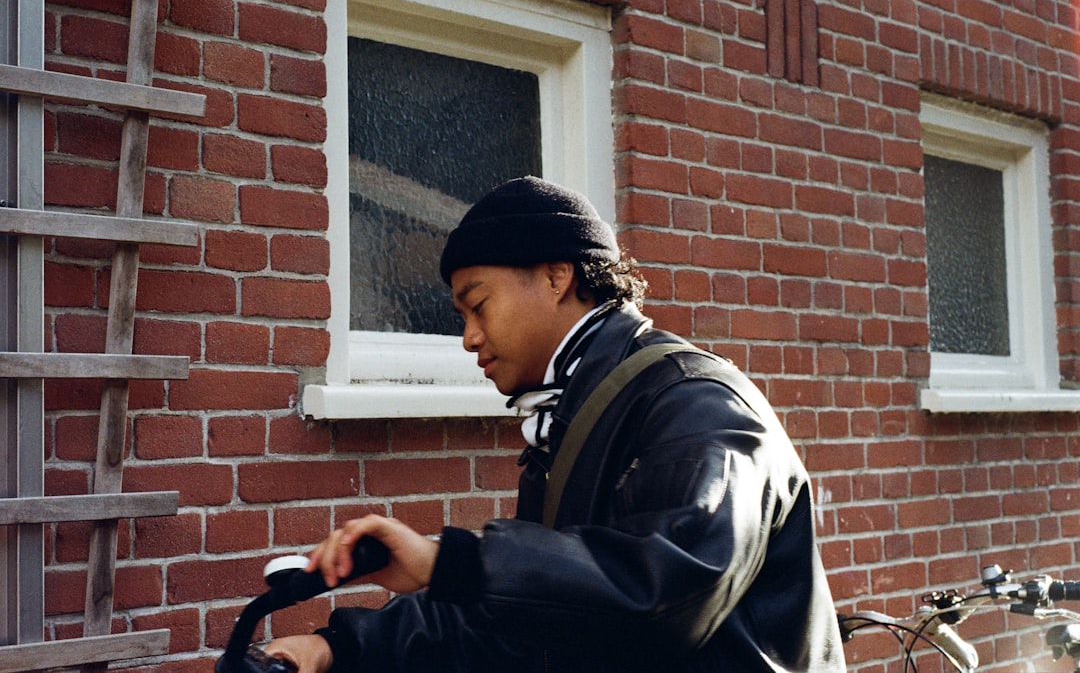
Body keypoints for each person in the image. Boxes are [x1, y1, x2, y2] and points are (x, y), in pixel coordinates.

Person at [266, 177, 845, 672]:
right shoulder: (571, 413)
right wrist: (337, 648)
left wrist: (452, 563)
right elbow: (536, 619)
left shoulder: (693, 401)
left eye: (479, 304)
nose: (468, 337)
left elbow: (669, 595)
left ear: (556, 276)